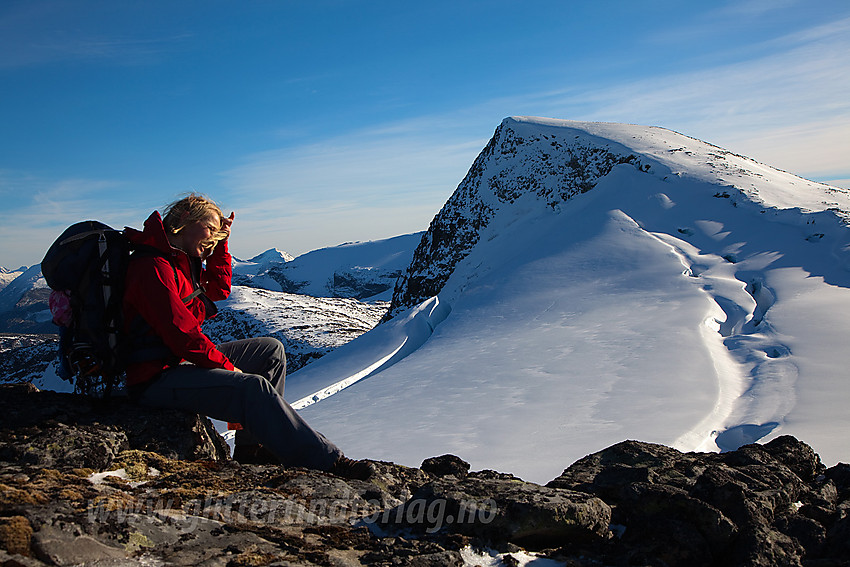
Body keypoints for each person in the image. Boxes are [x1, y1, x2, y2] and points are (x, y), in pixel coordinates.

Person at [121, 193, 373, 480]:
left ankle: (253, 449)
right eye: (210, 228)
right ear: (183, 221)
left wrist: (220, 244)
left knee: (271, 352)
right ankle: (328, 462)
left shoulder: (179, 261)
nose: (214, 236)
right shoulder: (153, 267)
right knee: (252, 387)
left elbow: (218, 290)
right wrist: (229, 368)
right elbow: (182, 335)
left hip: (174, 363)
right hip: (154, 378)